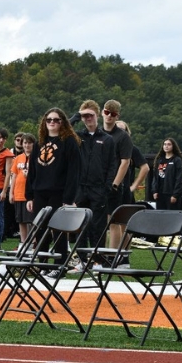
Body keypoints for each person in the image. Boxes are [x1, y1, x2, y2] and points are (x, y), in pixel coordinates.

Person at [25, 107, 80, 279]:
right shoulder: (40, 142)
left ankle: (60, 265)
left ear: (63, 122)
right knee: (40, 229)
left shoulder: (69, 141)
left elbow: (74, 172)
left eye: (56, 120)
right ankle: (42, 265)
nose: (52, 123)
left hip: (59, 192)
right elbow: (32, 170)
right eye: (49, 120)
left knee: (59, 231)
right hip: (40, 192)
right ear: (44, 122)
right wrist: (29, 196)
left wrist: (68, 198)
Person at [73, 100, 115, 270]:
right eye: (84, 116)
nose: (87, 118)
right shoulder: (77, 137)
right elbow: (62, 133)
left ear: (97, 115)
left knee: (98, 226)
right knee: (81, 224)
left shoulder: (107, 139)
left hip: (99, 188)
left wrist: (107, 187)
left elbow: (113, 165)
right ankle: (83, 260)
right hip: (80, 188)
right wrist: (75, 117)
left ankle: (98, 259)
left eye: (90, 115)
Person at [100, 100, 132, 253]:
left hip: (113, 185)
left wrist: (115, 184)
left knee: (113, 222)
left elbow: (125, 162)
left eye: (112, 114)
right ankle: (98, 256)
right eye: (107, 112)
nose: (109, 116)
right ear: (102, 112)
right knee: (97, 222)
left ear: (117, 116)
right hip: (96, 184)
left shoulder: (123, 136)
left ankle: (112, 257)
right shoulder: (98, 133)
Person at [9, 133, 35, 249]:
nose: (27, 145)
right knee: (21, 220)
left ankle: (34, 242)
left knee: (32, 220)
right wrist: (11, 192)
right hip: (19, 193)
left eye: (29, 143)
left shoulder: (36, 156)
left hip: (31, 195)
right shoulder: (18, 158)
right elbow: (14, 175)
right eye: (25, 142)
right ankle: (23, 243)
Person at [115, 121, 149, 205]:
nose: (120, 132)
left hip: (124, 193)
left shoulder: (132, 149)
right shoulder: (105, 146)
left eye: (123, 130)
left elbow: (145, 168)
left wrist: (134, 186)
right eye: (118, 129)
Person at [151, 138, 182, 210]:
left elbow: (179, 178)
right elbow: (155, 177)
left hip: (171, 193)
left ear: (173, 146)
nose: (166, 146)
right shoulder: (159, 160)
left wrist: (175, 195)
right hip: (160, 193)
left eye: (169, 144)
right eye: (165, 144)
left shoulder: (177, 160)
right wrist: (154, 191)